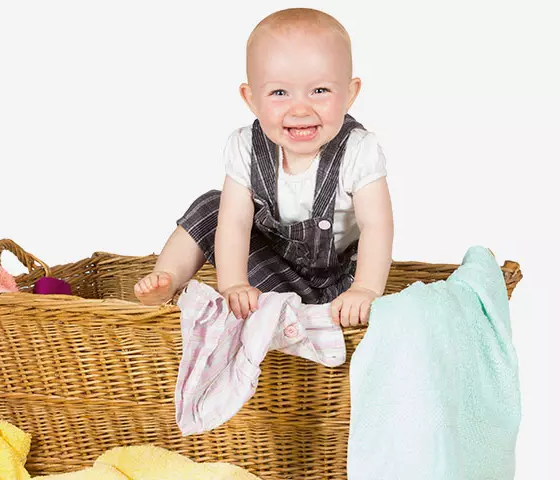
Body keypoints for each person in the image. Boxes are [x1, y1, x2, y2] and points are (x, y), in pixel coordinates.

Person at [134, 7, 393, 327]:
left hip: (332, 294)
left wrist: (364, 289)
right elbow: (234, 223)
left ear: (350, 94)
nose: (300, 108)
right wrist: (234, 285)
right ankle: (168, 278)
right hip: (269, 280)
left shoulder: (358, 151)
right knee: (212, 206)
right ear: (251, 99)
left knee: (347, 284)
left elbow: (376, 226)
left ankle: (318, 308)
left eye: (320, 90)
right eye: (280, 93)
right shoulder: (246, 147)